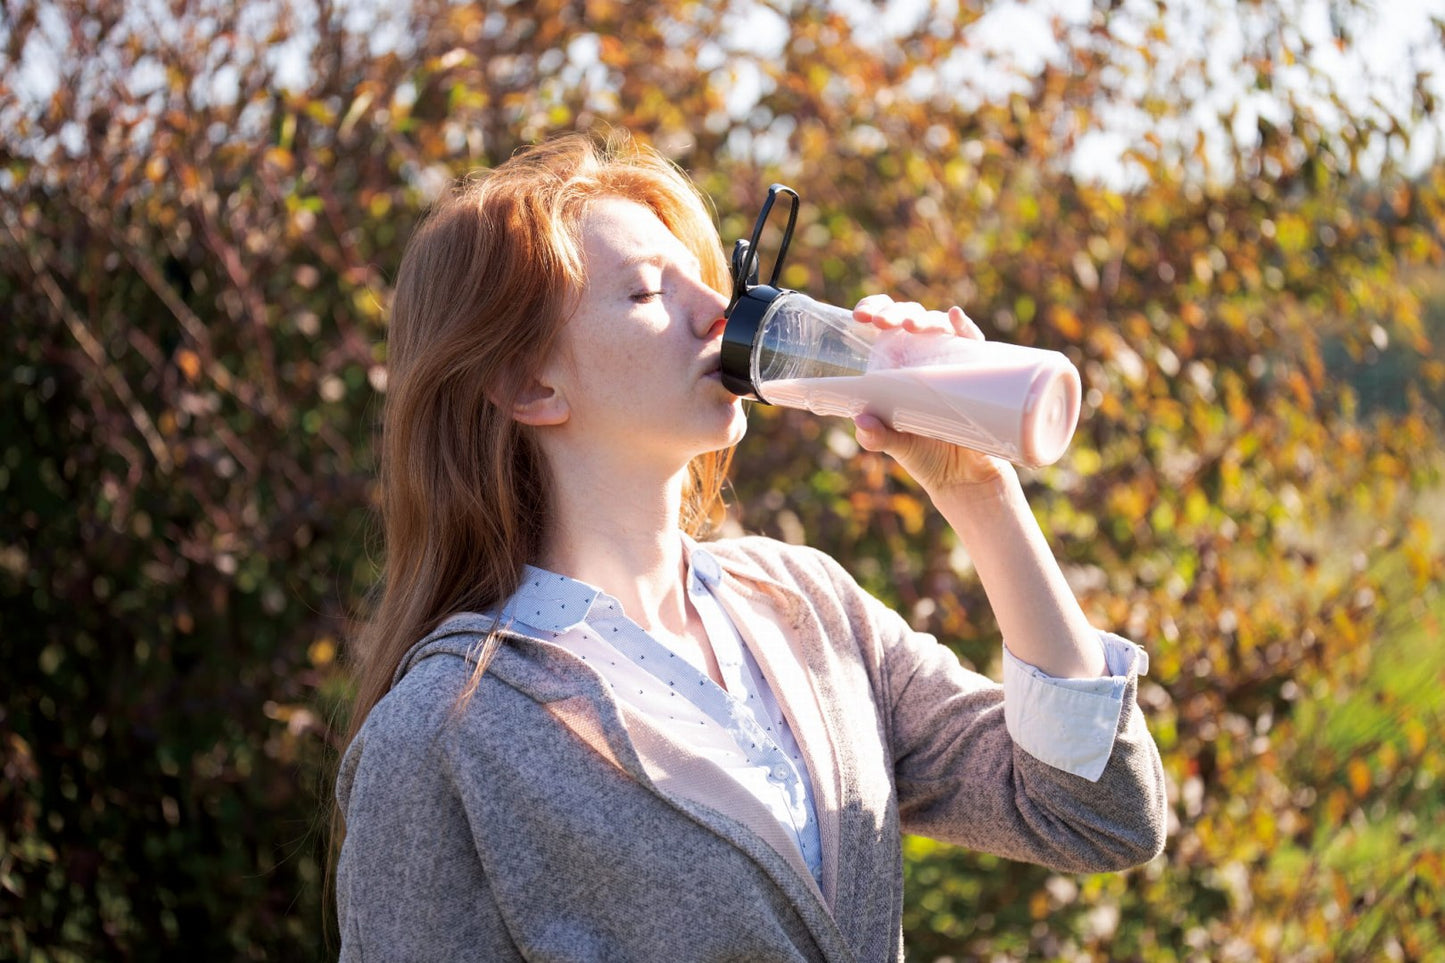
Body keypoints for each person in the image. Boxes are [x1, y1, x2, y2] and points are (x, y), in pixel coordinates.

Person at [332, 131, 1167, 962]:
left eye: (710, 278)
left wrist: (977, 491)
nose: (715, 311)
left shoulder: (804, 605)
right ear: (527, 385)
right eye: (647, 292)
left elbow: (1094, 814)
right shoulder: (445, 733)